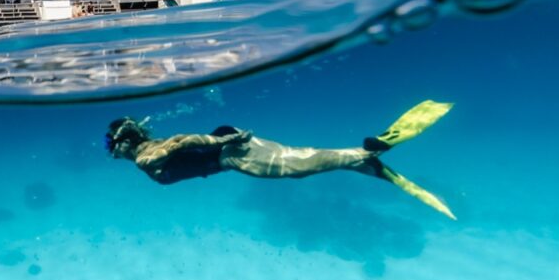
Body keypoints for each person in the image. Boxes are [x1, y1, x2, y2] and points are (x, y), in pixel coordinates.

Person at [104, 100, 457, 220]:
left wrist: (222, 140)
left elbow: (182, 143)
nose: (111, 151)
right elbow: (181, 141)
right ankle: (364, 162)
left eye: (111, 144)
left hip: (233, 153)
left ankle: (370, 152)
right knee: (298, 162)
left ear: (124, 142)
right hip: (230, 145)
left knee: (296, 167)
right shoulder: (153, 147)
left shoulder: (145, 159)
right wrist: (222, 137)